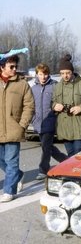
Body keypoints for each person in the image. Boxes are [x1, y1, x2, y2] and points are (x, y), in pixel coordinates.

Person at [0, 54, 34, 202]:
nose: (14, 69)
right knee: (3, 161)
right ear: (2, 67)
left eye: (15, 66)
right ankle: (18, 176)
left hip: (14, 129)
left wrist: (22, 125)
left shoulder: (22, 84)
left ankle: (9, 191)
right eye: (11, 67)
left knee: (11, 161)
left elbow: (29, 106)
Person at [52, 54, 81, 157]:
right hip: (65, 126)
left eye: (67, 73)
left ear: (72, 71)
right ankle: (71, 173)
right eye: (62, 73)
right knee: (70, 154)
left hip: (80, 124)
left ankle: (80, 172)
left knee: (79, 152)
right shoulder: (58, 86)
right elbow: (52, 101)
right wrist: (54, 106)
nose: (65, 76)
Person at [31, 63, 68, 180]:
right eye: (41, 74)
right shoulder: (33, 88)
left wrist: (56, 111)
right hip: (38, 123)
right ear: (37, 74)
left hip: (50, 122)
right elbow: (30, 105)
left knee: (46, 146)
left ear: (49, 74)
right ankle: (65, 160)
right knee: (48, 147)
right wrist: (33, 119)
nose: (43, 77)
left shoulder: (54, 86)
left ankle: (43, 169)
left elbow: (59, 102)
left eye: (45, 74)